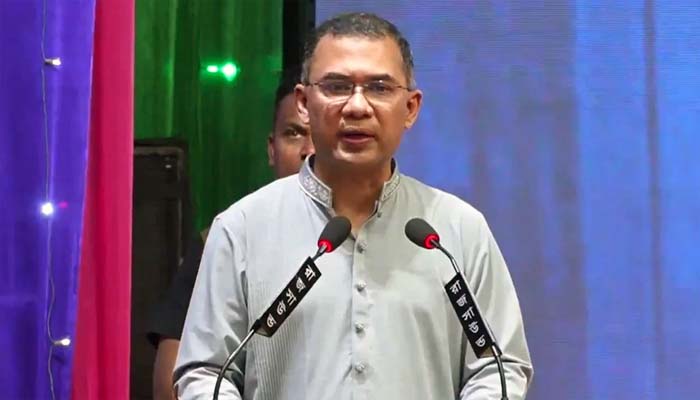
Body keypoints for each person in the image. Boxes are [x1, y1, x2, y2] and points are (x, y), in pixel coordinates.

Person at [174, 12, 533, 400]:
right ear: (304, 103)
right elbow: (205, 372)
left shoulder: (458, 231)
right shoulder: (242, 229)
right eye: (337, 86)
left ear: (411, 108)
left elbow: (499, 368)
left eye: (379, 88)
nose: (357, 107)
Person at [147, 67, 313, 400]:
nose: (308, 150)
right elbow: (171, 384)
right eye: (293, 134)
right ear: (271, 149)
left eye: (319, 135)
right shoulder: (226, 238)